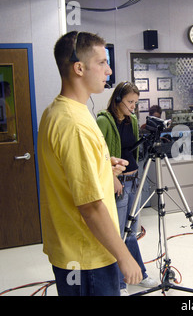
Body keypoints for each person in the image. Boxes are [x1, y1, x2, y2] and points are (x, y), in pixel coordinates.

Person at [37, 31, 142, 296]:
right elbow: (91, 207)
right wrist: (125, 256)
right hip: (87, 256)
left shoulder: (59, 111)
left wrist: (104, 166)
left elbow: (69, 173)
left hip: (73, 249)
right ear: (79, 68)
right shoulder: (74, 124)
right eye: (102, 63)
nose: (109, 70)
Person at [96, 81, 158, 295]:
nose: (133, 106)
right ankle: (120, 283)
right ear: (118, 99)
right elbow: (99, 154)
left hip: (133, 181)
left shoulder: (131, 120)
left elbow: (132, 151)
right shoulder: (104, 120)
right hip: (118, 183)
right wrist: (111, 178)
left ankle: (138, 273)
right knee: (119, 234)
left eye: (136, 102)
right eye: (130, 102)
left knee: (132, 232)